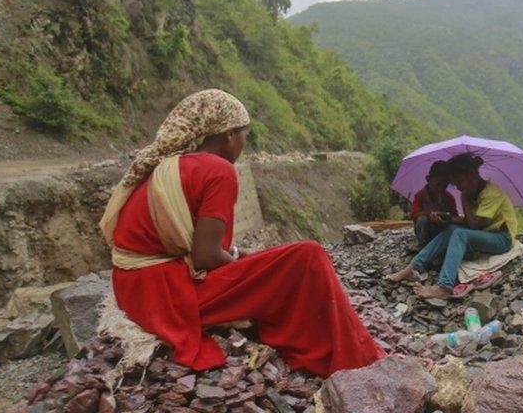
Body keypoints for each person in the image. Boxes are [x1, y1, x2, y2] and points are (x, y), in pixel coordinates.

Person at [99, 89, 384, 377]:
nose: (244, 143)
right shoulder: (218, 170)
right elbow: (206, 257)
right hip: (164, 298)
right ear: (229, 135)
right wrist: (240, 264)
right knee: (308, 256)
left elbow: (196, 248)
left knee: (272, 260)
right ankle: (357, 356)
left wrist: (238, 257)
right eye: (244, 135)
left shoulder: (172, 165)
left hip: (133, 286)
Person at [387, 153, 517, 298]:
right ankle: (413, 267)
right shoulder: (474, 191)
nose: (459, 188)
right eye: (456, 184)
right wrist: (449, 220)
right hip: (486, 232)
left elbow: (474, 225)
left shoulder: (491, 194)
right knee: (451, 229)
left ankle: (444, 286)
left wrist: (464, 199)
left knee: (459, 234)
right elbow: (470, 221)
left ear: (472, 175)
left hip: (502, 239)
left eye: (460, 182)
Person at [409, 161, 458, 248]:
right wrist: (430, 213)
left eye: (445, 185)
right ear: (428, 179)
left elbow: (455, 215)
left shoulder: (449, 197)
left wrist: (445, 214)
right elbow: (414, 215)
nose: (441, 188)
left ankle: (443, 246)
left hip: (442, 229)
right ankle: (423, 246)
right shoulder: (420, 196)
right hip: (426, 229)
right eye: (438, 184)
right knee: (422, 220)